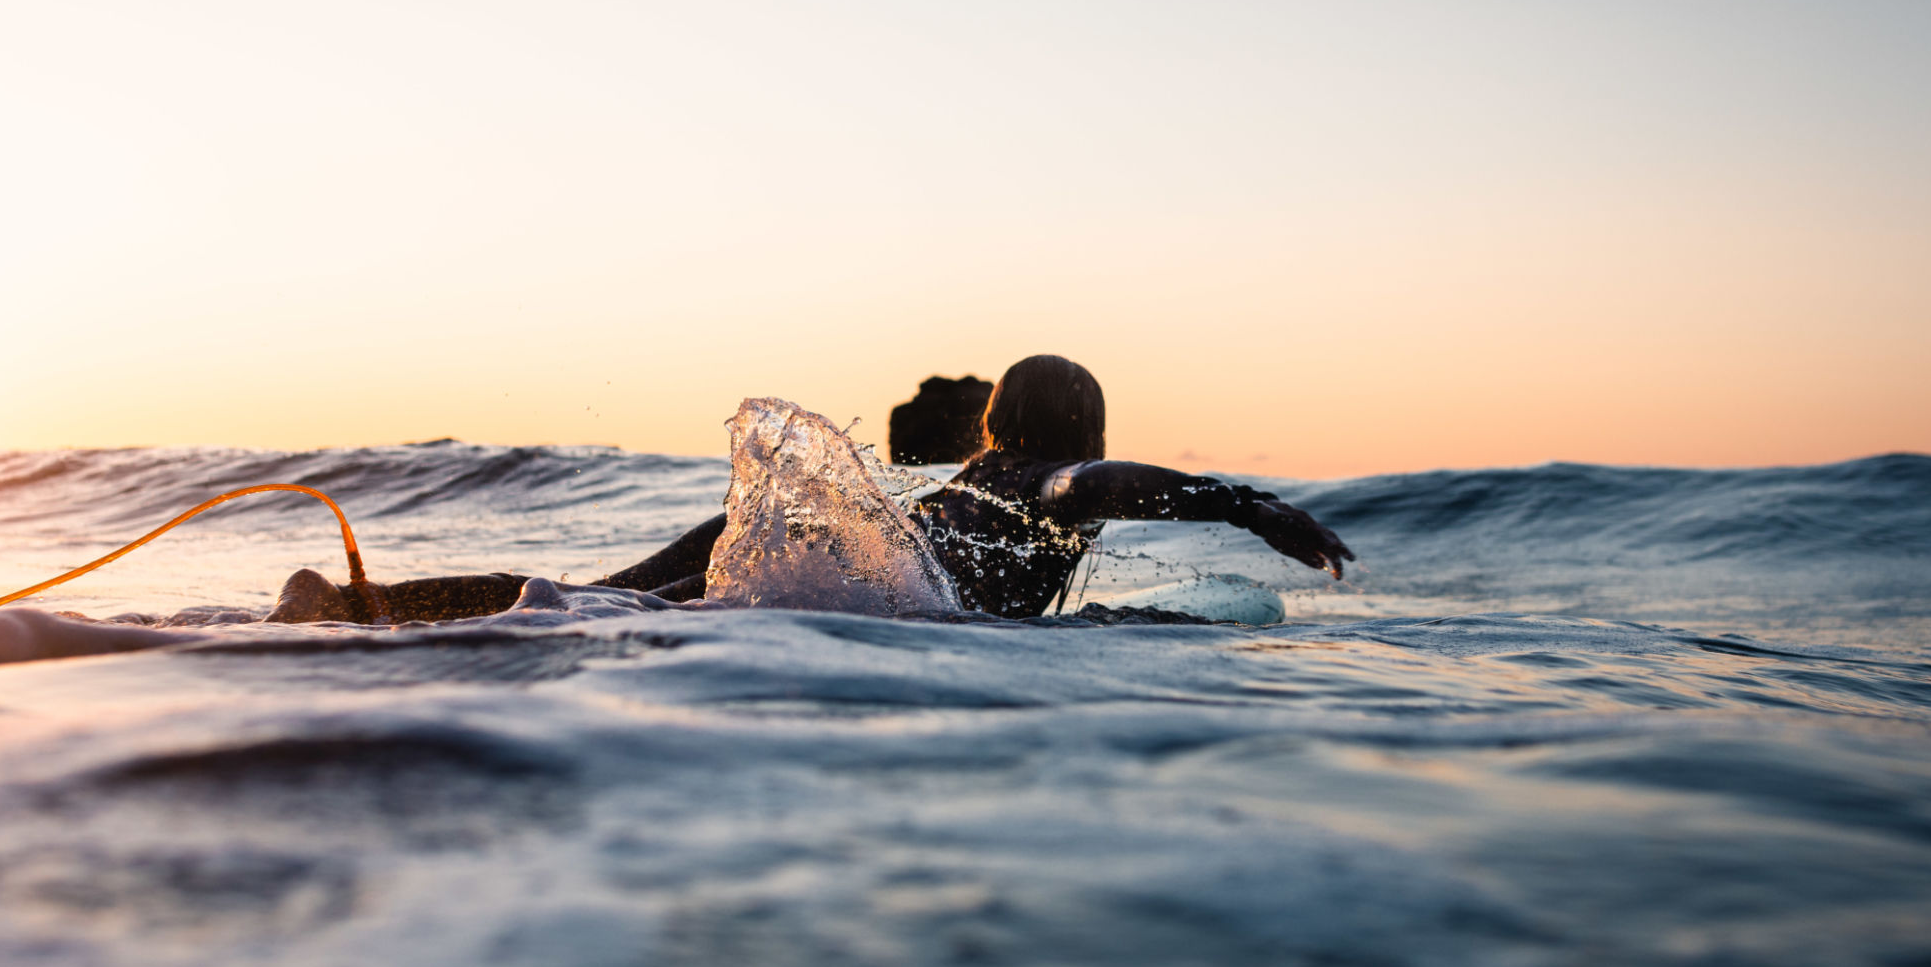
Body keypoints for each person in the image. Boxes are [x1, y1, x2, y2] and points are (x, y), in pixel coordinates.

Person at [267, 355, 1352, 623]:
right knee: (595, 609)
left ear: (989, 421)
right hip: (847, 569)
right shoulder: (1054, 480)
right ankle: (353, 613)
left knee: (580, 598)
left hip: (791, 538)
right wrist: (1249, 506)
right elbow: (1103, 480)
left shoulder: (983, 469)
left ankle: (352, 606)